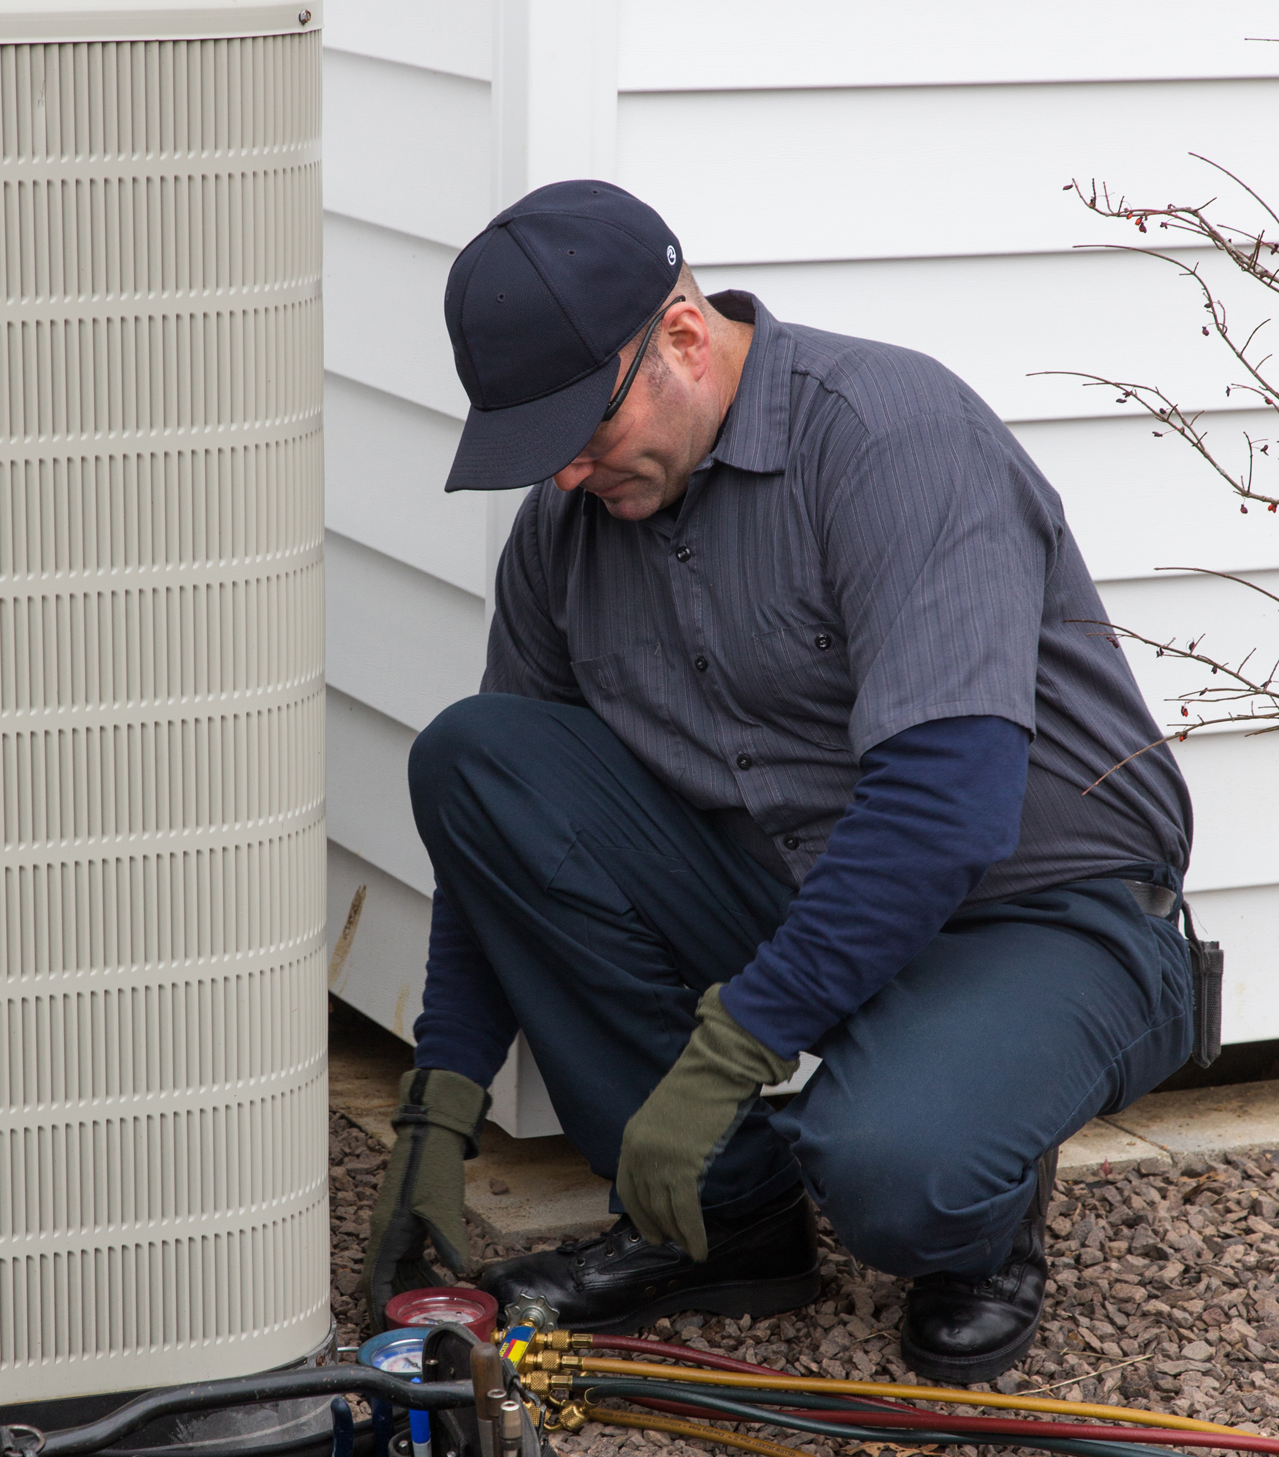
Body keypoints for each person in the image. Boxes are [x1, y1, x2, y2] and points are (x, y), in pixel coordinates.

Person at [360, 180, 1195, 1385]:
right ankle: (727, 1222)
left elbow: (944, 803)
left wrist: (727, 1054)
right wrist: (440, 1102)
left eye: (580, 434)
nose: (565, 478)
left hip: (1035, 909)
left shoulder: (891, 438)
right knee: (476, 750)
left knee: (892, 1174)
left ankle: (980, 1207)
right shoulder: (572, 522)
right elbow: (502, 819)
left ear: (683, 338)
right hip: (797, 887)